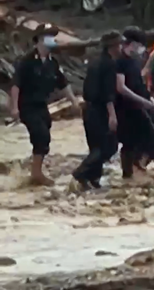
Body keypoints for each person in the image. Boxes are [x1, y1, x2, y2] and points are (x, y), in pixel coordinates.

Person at [9, 25, 79, 186]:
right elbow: (15, 85)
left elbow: (63, 83)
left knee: (44, 137)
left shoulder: (52, 62)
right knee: (41, 135)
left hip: (42, 105)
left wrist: (73, 101)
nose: (51, 40)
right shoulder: (26, 61)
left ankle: (35, 171)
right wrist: (14, 107)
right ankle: (36, 173)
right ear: (39, 40)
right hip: (26, 105)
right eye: (47, 36)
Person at [72, 31, 123, 189]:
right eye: (119, 44)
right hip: (100, 110)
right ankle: (81, 173)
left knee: (95, 146)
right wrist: (112, 115)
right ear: (113, 47)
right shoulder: (109, 64)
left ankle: (93, 179)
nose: (121, 47)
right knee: (108, 146)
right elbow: (108, 93)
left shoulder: (95, 62)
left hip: (88, 108)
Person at [115, 27, 154, 181]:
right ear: (129, 43)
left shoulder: (135, 60)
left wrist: (148, 97)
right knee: (152, 137)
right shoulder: (120, 61)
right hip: (129, 106)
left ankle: (131, 172)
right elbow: (121, 87)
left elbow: (139, 80)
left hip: (142, 102)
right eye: (138, 44)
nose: (141, 48)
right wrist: (142, 100)